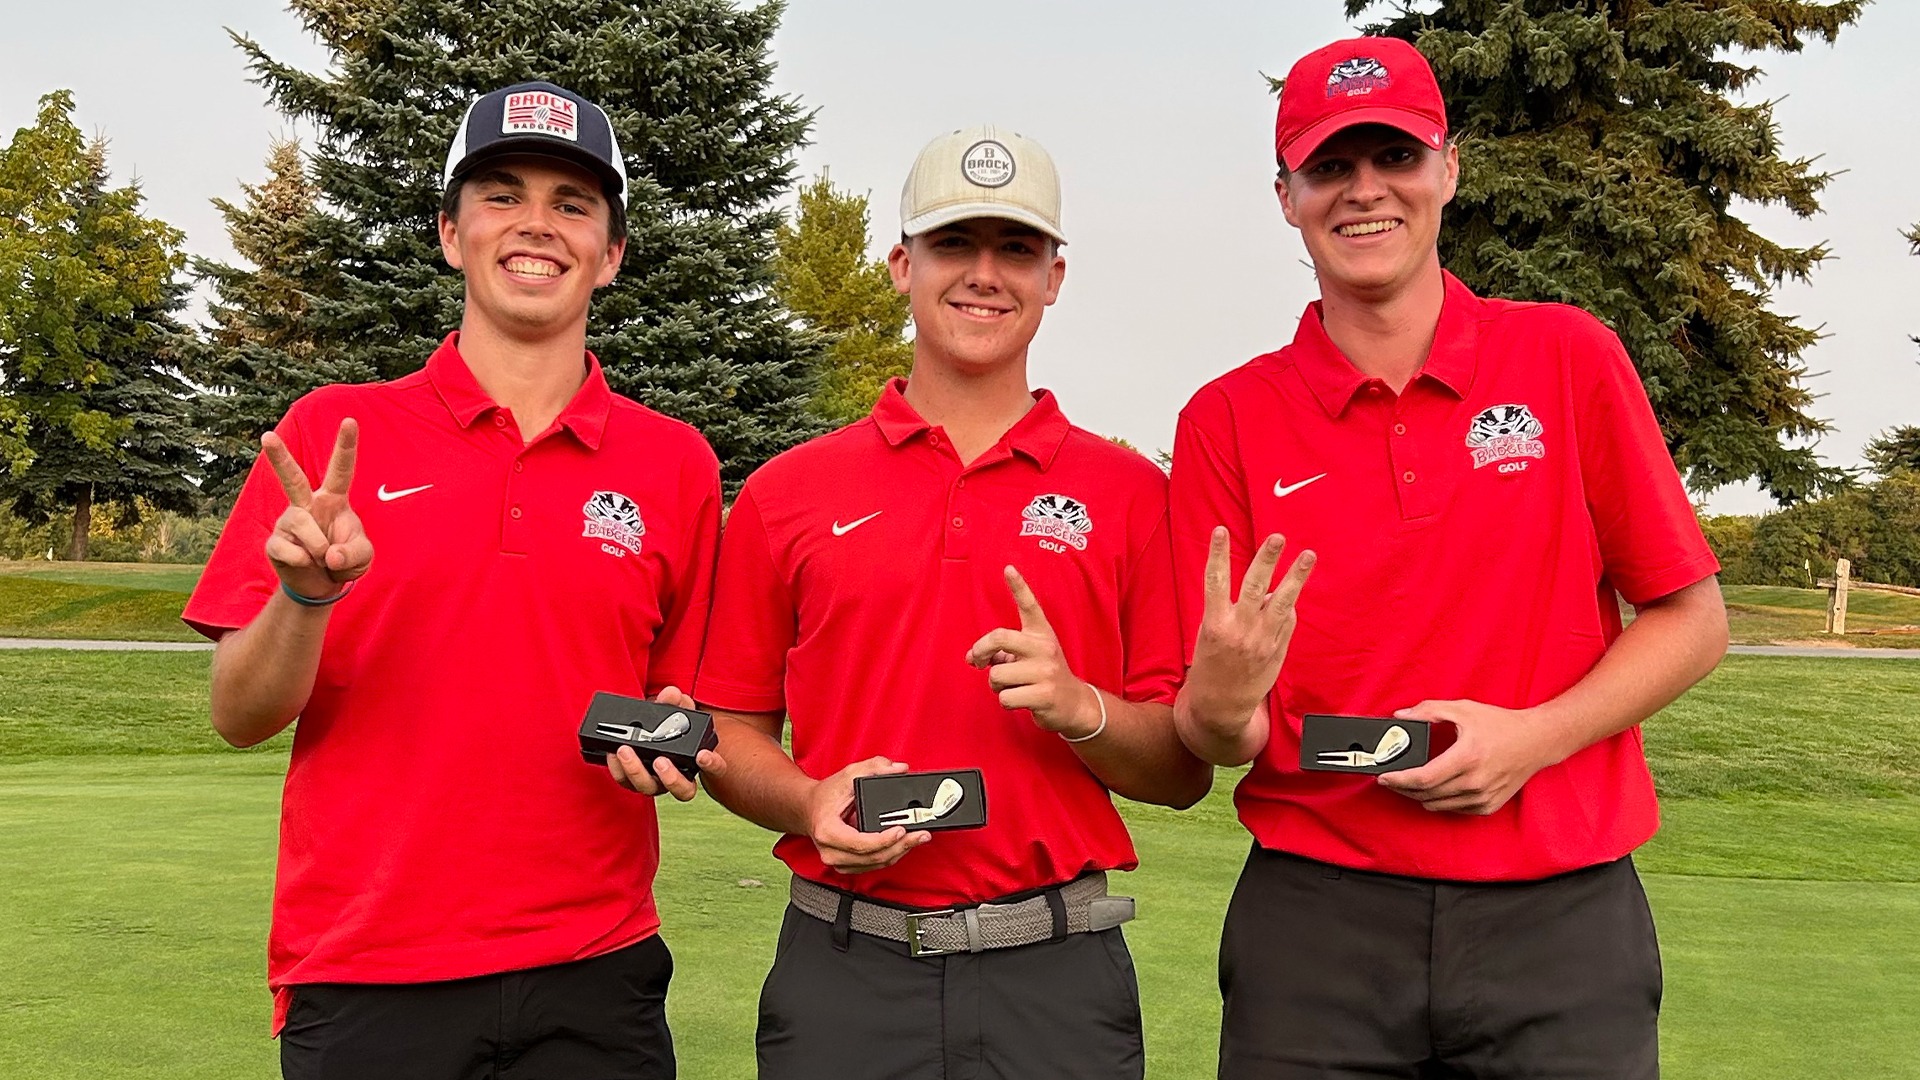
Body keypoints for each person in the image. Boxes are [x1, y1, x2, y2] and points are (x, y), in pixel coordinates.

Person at [1170, 38, 1730, 1078]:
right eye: (1330, 167)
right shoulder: (1226, 419)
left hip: (1562, 918)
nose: (1365, 190)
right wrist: (1223, 698)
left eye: (1396, 156)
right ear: (1286, 196)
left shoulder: (1568, 355)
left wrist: (1536, 738)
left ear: (1449, 169)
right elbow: (1218, 735)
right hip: (1316, 924)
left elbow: (1692, 621)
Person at [183, 81, 723, 1080]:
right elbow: (238, 715)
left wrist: (678, 734)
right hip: (368, 971)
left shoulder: (676, 463)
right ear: (449, 233)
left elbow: (681, 696)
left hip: (596, 968)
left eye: (572, 204)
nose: (536, 224)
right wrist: (305, 597)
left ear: (611, 254)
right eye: (501, 195)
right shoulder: (331, 434)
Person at [692, 125, 1210, 1080]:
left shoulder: (1134, 495)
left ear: (1054, 278)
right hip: (844, 973)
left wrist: (1081, 709)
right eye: (953, 244)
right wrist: (808, 801)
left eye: (1016, 249)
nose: (984, 274)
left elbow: (1182, 772)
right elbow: (728, 727)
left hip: (1056, 978)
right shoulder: (787, 492)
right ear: (902, 266)